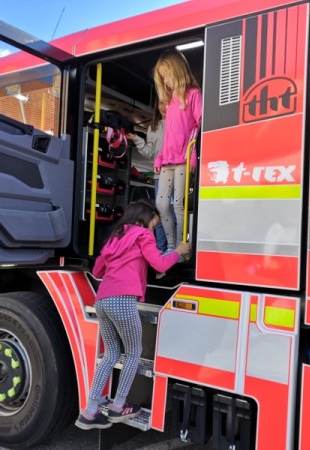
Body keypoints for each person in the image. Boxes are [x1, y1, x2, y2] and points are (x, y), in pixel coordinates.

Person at [75, 200, 191, 430]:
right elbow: (159, 264)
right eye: (153, 224)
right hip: (122, 301)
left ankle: (90, 411)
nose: (153, 229)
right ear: (144, 219)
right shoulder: (143, 235)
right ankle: (118, 406)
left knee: (110, 355)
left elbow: (97, 270)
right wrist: (178, 252)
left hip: (102, 300)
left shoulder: (115, 237)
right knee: (133, 353)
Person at [153, 49, 202, 255]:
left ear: (177, 71)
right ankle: (172, 245)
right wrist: (160, 157)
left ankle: (183, 249)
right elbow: (169, 136)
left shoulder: (194, 95)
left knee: (179, 206)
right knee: (161, 204)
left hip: (183, 159)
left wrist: (193, 157)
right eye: (162, 78)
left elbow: (199, 127)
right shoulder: (171, 101)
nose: (165, 81)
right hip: (167, 160)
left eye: (167, 75)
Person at [126, 98, 171, 252]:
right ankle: (161, 249)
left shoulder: (180, 123)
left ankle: (174, 248)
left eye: (167, 102)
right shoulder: (153, 127)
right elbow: (150, 152)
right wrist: (136, 139)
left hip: (178, 172)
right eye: (161, 103)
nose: (164, 106)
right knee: (161, 211)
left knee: (173, 211)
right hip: (160, 175)